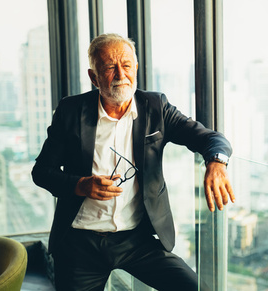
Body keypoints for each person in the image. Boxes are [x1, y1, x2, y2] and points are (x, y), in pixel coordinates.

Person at [32, 33, 233, 291]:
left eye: (126, 65)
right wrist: (80, 185)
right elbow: (42, 172)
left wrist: (216, 163)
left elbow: (210, 138)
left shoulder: (155, 107)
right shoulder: (71, 111)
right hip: (80, 243)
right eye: (109, 67)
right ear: (93, 77)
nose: (120, 74)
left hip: (137, 240)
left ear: (135, 68)